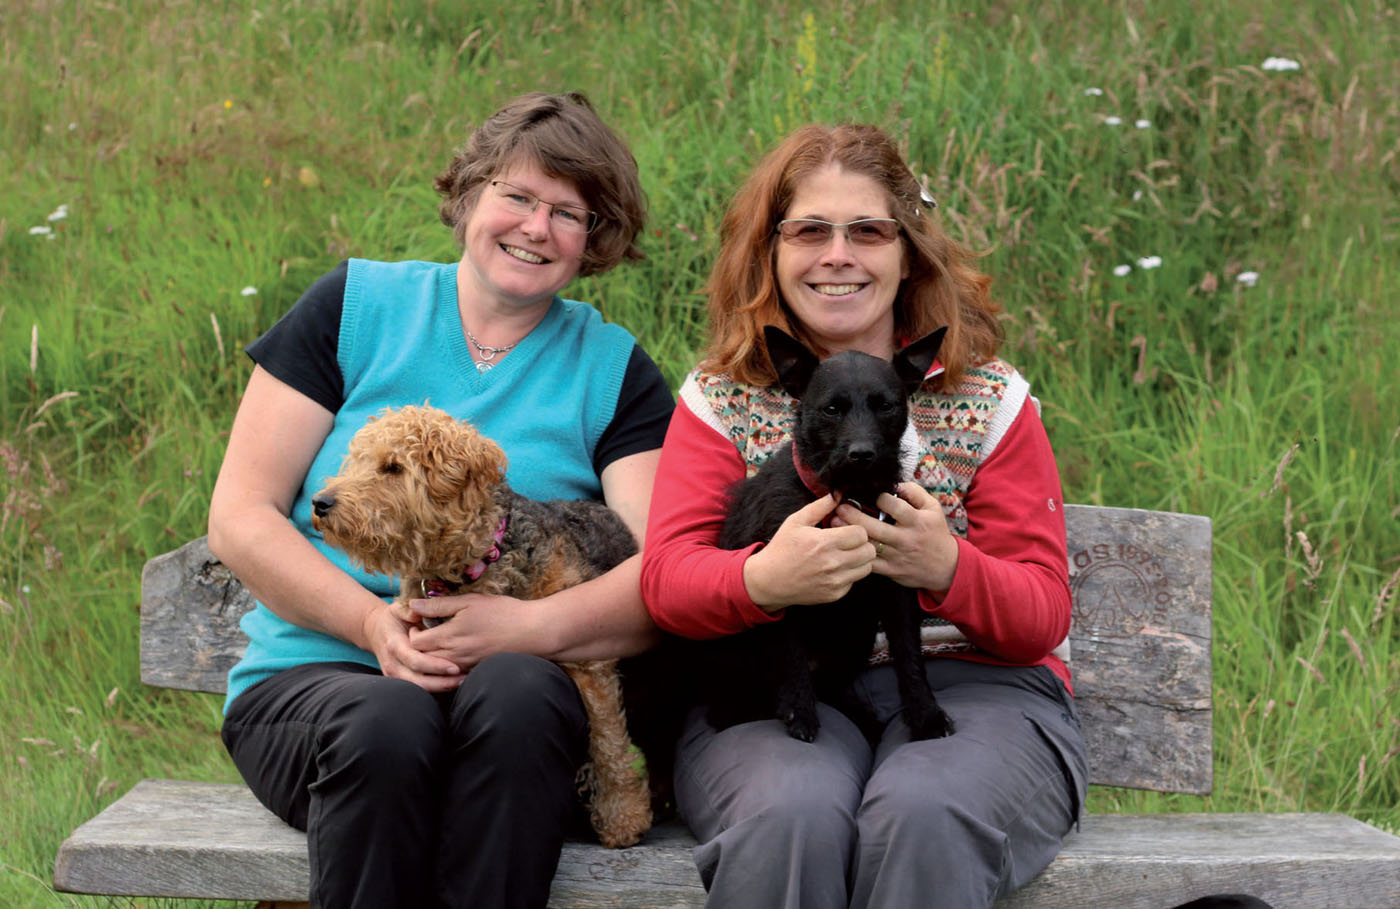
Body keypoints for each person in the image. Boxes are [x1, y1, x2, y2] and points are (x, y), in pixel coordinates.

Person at [208, 91, 674, 909]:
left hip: (514, 719)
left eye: (569, 213)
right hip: (318, 690)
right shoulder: (352, 308)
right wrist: (370, 624)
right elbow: (240, 516)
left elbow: (663, 571)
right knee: (391, 721)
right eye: (517, 196)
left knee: (523, 691)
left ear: (594, 241)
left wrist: (529, 627)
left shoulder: (612, 368)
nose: (536, 227)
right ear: (470, 196)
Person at [638, 124, 1087, 909]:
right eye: (810, 230)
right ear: (770, 251)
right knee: (790, 813)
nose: (837, 254)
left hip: (980, 692)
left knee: (923, 811)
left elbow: (1042, 612)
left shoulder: (988, 398)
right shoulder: (721, 399)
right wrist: (761, 578)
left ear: (906, 250)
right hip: (788, 684)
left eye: (868, 231)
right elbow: (668, 582)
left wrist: (946, 567)